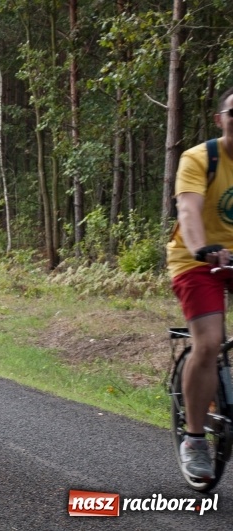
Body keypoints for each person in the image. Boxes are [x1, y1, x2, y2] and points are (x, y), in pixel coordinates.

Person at [167, 85, 233, 481]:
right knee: (208, 342)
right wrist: (200, 248)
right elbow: (189, 210)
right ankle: (194, 440)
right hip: (197, 258)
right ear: (220, 119)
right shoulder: (199, 158)